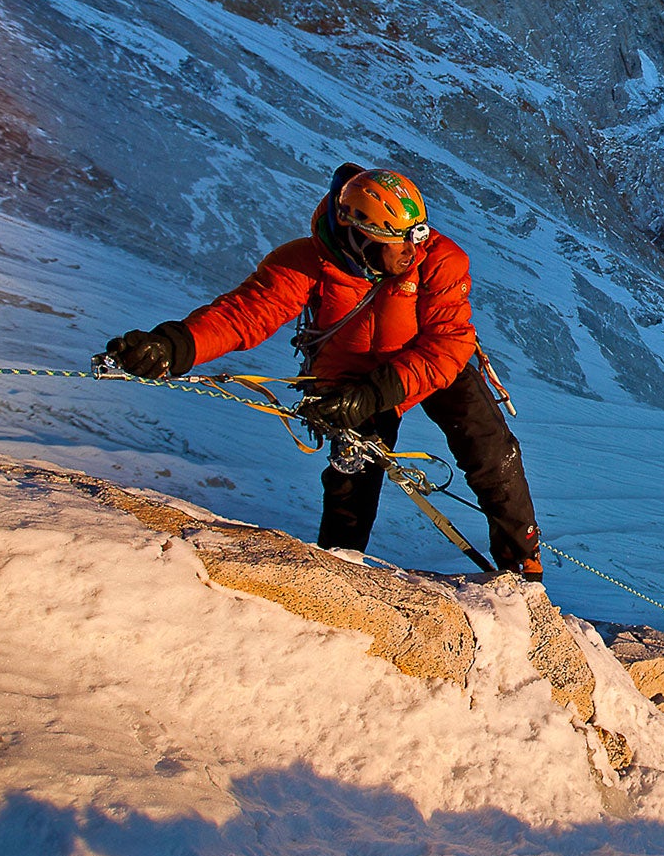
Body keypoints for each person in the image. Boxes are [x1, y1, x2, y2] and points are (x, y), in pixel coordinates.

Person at [105, 163, 542, 579]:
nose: (413, 251)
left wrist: (378, 390)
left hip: (428, 364)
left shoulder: (439, 260)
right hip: (349, 379)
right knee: (350, 487)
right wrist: (173, 346)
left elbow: (449, 343)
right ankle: (339, 571)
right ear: (359, 236)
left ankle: (521, 563)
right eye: (399, 242)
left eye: (417, 236)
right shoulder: (309, 262)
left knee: (491, 451)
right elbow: (246, 315)